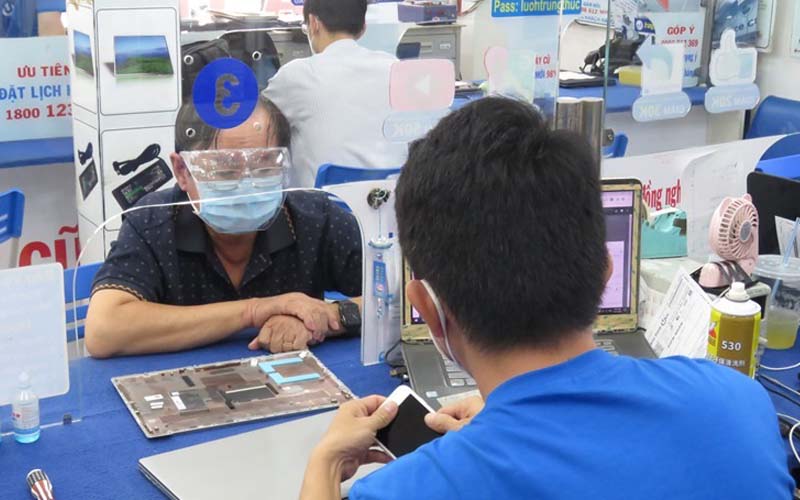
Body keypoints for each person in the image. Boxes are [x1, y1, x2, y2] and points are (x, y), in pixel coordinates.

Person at [299, 97, 795, 499]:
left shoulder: (402, 490)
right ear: (605, 272)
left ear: (427, 309)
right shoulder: (741, 405)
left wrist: (323, 466)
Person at [85, 97, 363, 359]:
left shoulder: (315, 218)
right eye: (223, 170)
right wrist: (254, 311)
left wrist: (329, 317)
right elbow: (104, 330)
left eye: (264, 166)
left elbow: (388, 292)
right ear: (182, 171)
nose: (245, 184)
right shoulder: (152, 223)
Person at [262, 0, 407, 187]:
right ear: (363, 28)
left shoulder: (297, 75)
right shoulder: (394, 67)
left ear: (313, 23)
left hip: (324, 202)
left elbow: (257, 124)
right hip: (392, 197)